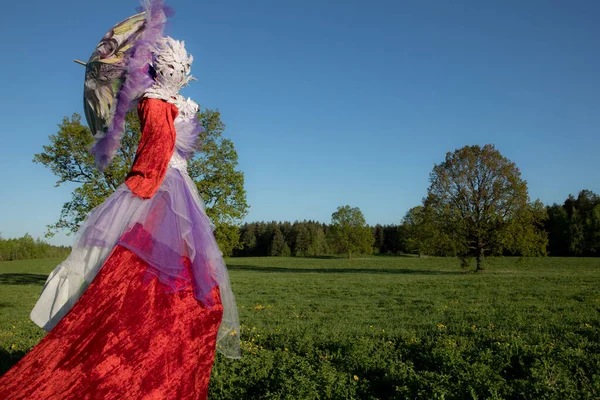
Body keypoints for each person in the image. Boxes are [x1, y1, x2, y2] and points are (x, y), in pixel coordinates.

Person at [0, 33, 240, 400]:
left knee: (195, 295)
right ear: (158, 69)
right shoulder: (152, 102)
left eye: (182, 67)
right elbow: (155, 151)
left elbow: (179, 151)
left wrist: (180, 115)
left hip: (178, 196)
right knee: (128, 285)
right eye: (170, 67)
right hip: (156, 188)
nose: (177, 71)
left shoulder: (180, 105)